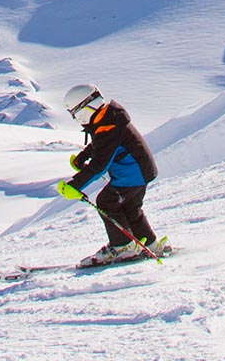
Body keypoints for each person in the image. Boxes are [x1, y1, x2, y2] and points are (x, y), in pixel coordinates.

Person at [57, 85, 168, 266]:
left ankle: (122, 247)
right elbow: (99, 145)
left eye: (74, 113)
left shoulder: (108, 126)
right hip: (140, 171)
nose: (75, 118)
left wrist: (74, 185)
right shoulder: (107, 119)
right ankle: (150, 243)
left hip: (133, 174)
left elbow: (100, 165)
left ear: (84, 109)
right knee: (130, 207)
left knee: (106, 201)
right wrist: (82, 158)